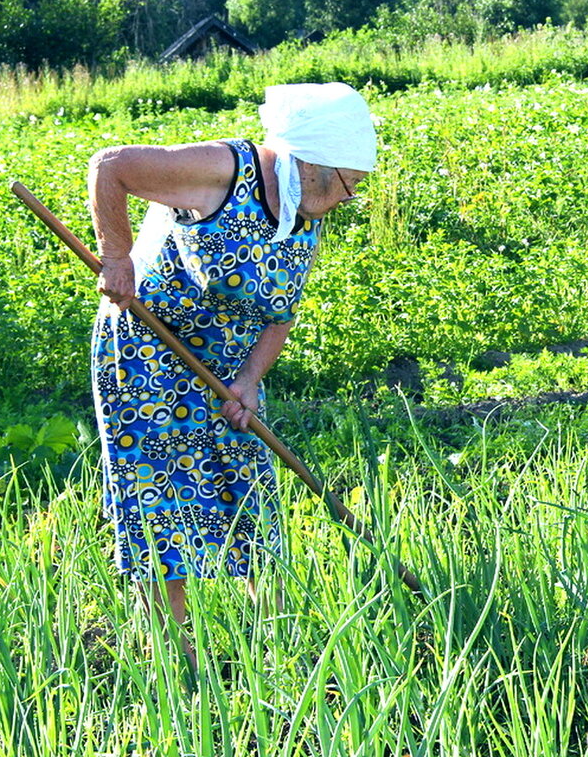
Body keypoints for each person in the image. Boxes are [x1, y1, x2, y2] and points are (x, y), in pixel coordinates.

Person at [86, 82, 376, 662]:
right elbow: (109, 166)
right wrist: (116, 256)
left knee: (253, 498)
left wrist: (248, 382)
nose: (350, 197)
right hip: (147, 354)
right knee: (157, 497)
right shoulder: (224, 170)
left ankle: (276, 646)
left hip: (226, 370)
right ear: (312, 162)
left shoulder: (304, 214)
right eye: (350, 182)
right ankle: (177, 657)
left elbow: (280, 311)